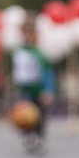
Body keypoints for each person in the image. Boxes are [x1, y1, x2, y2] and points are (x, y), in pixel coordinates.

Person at [11, 17, 53, 150]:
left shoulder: (39, 53)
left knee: (39, 114)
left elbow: (47, 72)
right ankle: (29, 136)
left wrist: (48, 89)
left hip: (38, 89)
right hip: (25, 90)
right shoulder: (19, 52)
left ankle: (39, 137)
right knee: (25, 115)